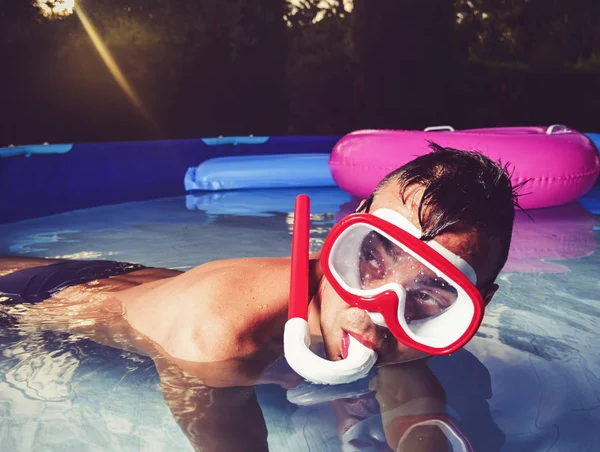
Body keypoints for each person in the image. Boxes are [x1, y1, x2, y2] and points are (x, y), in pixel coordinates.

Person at [0, 144, 518, 449]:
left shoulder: (400, 332)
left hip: (148, 281)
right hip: (40, 301)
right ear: (347, 229)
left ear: (479, 302)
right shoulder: (221, 342)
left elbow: (415, 399)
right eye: (373, 256)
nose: (378, 311)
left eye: (431, 292)